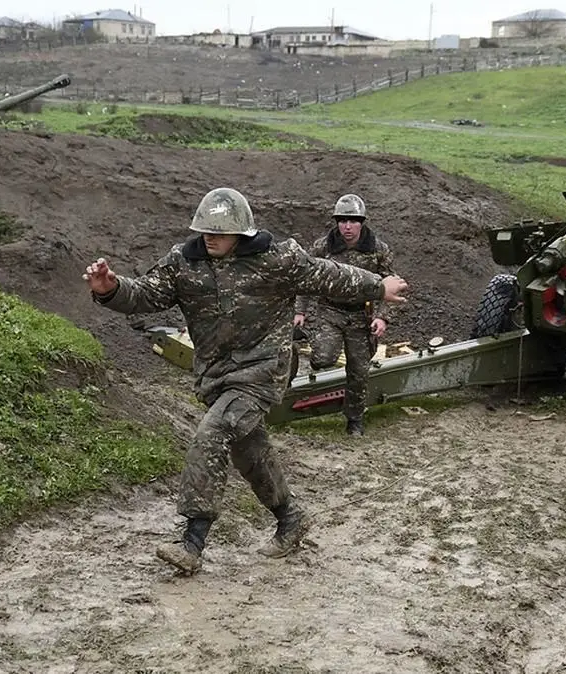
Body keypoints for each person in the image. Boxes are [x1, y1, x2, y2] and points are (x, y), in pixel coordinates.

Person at [83, 187, 409, 575]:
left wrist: (378, 286)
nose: (210, 237)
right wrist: (110, 289)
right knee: (248, 451)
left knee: (213, 431)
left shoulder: (276, 258)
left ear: (242, 232)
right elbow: (144, 295)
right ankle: (290, 518)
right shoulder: (183, 263)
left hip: (263, 371)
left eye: (219, 231)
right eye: (205, 230)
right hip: (216, 375)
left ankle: (192, 541)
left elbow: (327, 275)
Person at [293, 193, 396, 437]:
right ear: (336, 222)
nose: (347, 226)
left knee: (359, 372)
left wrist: (382, 316)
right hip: (330, 311)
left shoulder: (379, 250)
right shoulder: (323, 247)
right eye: (342, 221)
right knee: (323, 359)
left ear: (362, 222)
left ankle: (354, 420)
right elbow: (305, 278)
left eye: (353, 221)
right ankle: (301, 341)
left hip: (361, 317)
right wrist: (300, 311)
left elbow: (393, 285)